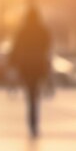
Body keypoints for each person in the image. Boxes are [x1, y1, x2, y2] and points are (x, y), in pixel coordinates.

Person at [9, 8, 52, 137]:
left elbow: (15, 48)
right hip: (38, 66)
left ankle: (31, 122)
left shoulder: (22, 31)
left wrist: (13, 64)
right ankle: (34, 123)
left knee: (30, 95)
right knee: (35, 95)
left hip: (26, 67)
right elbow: (47, 49)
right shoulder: (43, 31)